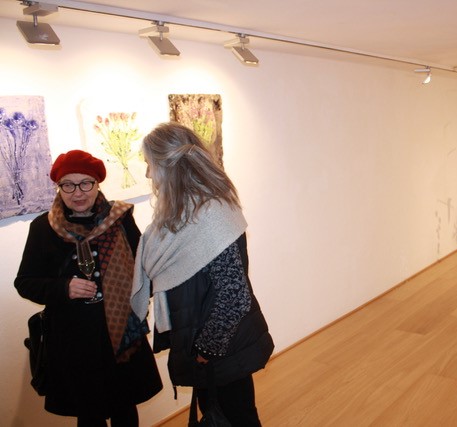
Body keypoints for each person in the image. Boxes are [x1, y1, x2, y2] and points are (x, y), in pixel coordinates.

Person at [131, 122, 274, 426]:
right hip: (203, 339)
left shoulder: (211, 215)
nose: (147, 174)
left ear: (168, 166)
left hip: (221, 347)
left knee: (235, 417)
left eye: (149, 164)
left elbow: (234, 296)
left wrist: (205, 350)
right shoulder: (184, 215)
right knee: (219, 414)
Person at [15, 150, 162, 427]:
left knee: (125, 409)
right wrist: (64, 288)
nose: (78, 193)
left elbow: (144, 269)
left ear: (97, 184)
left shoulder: (119, 218)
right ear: (59, 187)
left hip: (120, 336)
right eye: (68, 185)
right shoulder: (43, 228)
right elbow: (25, 282)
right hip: (74, 342)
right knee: (89, 414)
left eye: (85, 183)